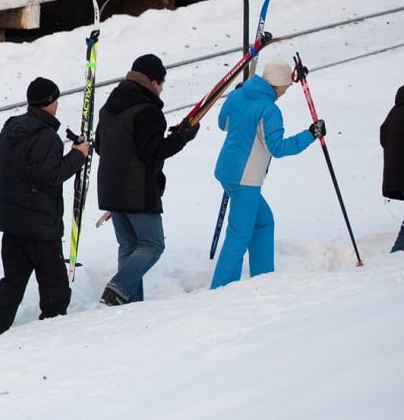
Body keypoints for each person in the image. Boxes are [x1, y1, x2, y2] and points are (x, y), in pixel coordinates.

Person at [0, 78, 89, 338]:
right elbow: (50, 176)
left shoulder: (10, 128)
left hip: (11, 221)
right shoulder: (47, 137)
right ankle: (49, 336)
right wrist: (78, 155)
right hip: (40, 225)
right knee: (56, 289)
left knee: (13, 282)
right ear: (50, 102)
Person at [94, 55, 199, 305]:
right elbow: (153, 152)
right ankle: (118, 287)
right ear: (153, 82)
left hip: (110, 189)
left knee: (129, 247)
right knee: (152, 244)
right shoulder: (148, 111)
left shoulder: (110, 106)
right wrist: (181, 138)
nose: (162, 89)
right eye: (161, 83)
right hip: (137, 191)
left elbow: (101, 146)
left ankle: (130, 305)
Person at [210, 61, 321, 289]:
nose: (285, 91)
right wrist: (310, 134)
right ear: (278, 85)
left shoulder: (239, 95)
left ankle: (263, 279)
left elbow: (223, 123)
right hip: (246, 179)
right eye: (286, 87)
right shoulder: (269, 109)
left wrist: (236, 97)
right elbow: (277, 148)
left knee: (263, 222)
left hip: (227, 171)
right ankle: (220, 289)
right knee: (239, 234)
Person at [383, 86, 404, 252]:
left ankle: (397, 253)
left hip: (396, 174)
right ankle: (397, 255)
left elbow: (384, 137)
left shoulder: (395, 111)